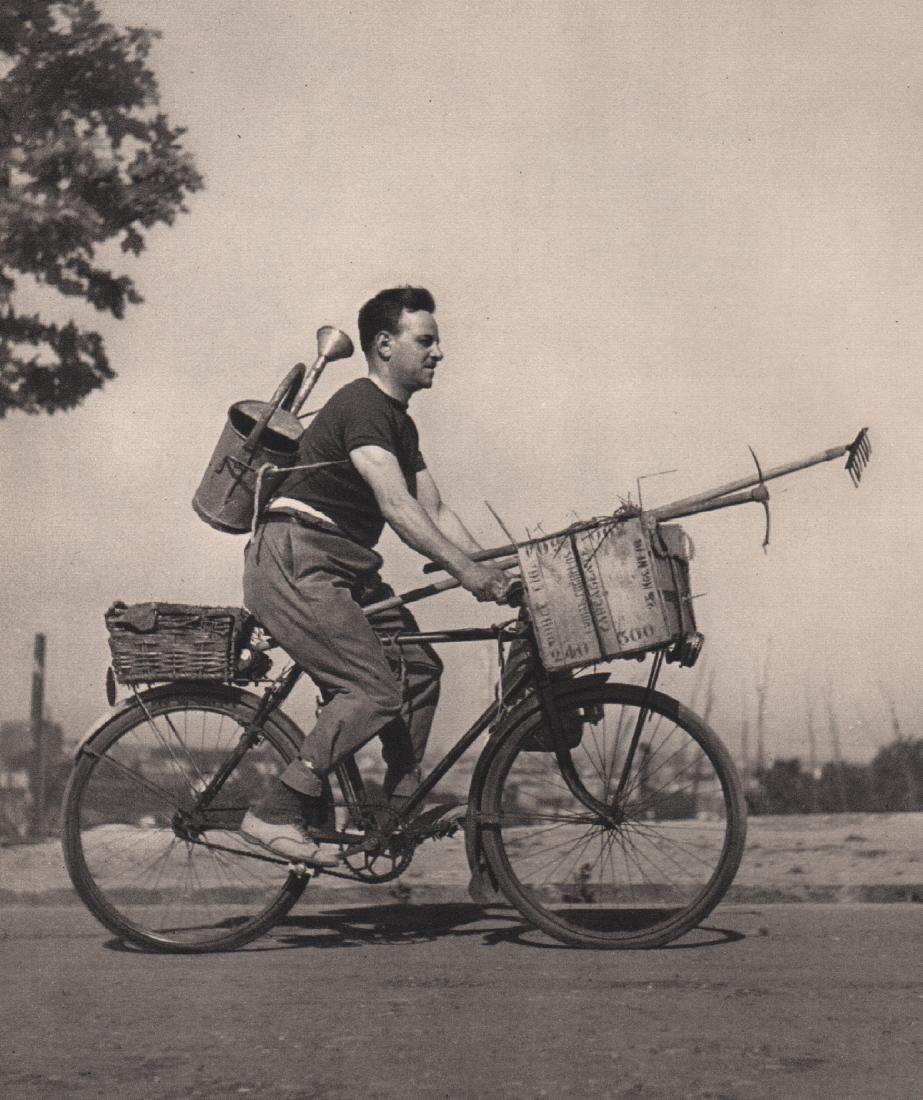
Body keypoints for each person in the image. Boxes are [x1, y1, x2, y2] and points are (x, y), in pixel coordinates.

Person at [240, 286, 512, 865]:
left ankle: (393, 813)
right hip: (297, 558)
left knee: (417, 669)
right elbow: (395, 503)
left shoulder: (398, 422)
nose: (439, 352)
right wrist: (467, 573)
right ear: (385, 345)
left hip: (339, 564)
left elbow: (436, 511)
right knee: (371, 689)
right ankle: (276, 811)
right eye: (426, 340)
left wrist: (499, 568)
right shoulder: (362, 404)